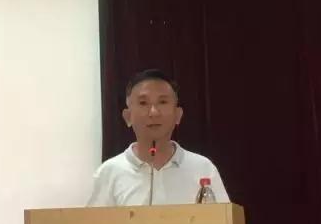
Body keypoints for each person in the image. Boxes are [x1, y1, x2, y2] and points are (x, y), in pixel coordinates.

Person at [88, 69, 230, 206]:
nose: (154, 112)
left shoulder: (203, 168)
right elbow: (95, 222)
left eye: (162, 102)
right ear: (127, 117)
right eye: (143, 103)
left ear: (178, 115)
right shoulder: (109, 172)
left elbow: (224, 219)